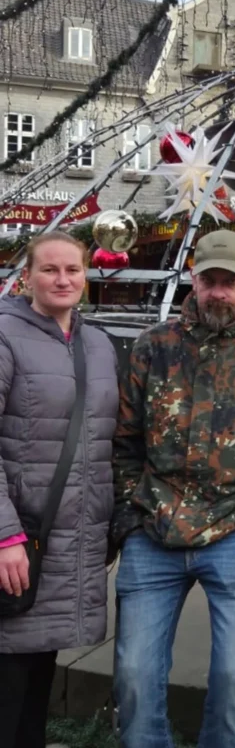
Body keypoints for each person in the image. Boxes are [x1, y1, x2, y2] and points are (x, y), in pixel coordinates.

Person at [112, 229, 235, 748]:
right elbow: (125, 440)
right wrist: (135, 510)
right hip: (153, 533)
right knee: (134, 674)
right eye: (209, 281)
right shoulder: (153, 348)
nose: (218, 292)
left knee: (234, 680)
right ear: (193, 281)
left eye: (229, 281)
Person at [0, 230, 119, 748]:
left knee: (39, 663)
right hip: (19, 537)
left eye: (72, 269)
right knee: (8, 670)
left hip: (68, 542)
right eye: (49, 269)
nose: (62, 279)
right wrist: (4, 535)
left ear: (86, 276)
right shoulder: (5, 334)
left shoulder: (96, 343)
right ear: (27, 276)